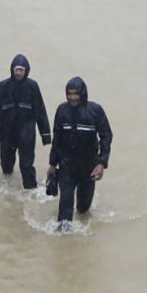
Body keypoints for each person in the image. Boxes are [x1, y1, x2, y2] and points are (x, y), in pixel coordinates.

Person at [46, 77, 112, 229]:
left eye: (75, 94)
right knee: (65, 211)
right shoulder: (62, 111)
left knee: (83, 209)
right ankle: (63, 242)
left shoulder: (95, 111)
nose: (72, 97)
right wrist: (52, 164)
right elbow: (57, 138)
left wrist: (101, 163)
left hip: (88, 167)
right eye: (69, 94)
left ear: (82, 94)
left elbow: (106, 135)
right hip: (66, 166)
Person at [0, 54, 52, 190]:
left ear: (26, 70)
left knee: (26, 165)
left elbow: (40, 111)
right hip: (6, 132)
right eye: (17, 69)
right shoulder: (3, 86)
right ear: (12, 70)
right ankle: (8, 189)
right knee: (6, 165)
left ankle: (31, 191)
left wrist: (45, 135)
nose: (19, 72)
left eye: (21, 70)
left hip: (26, 132)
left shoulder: (33, 87)